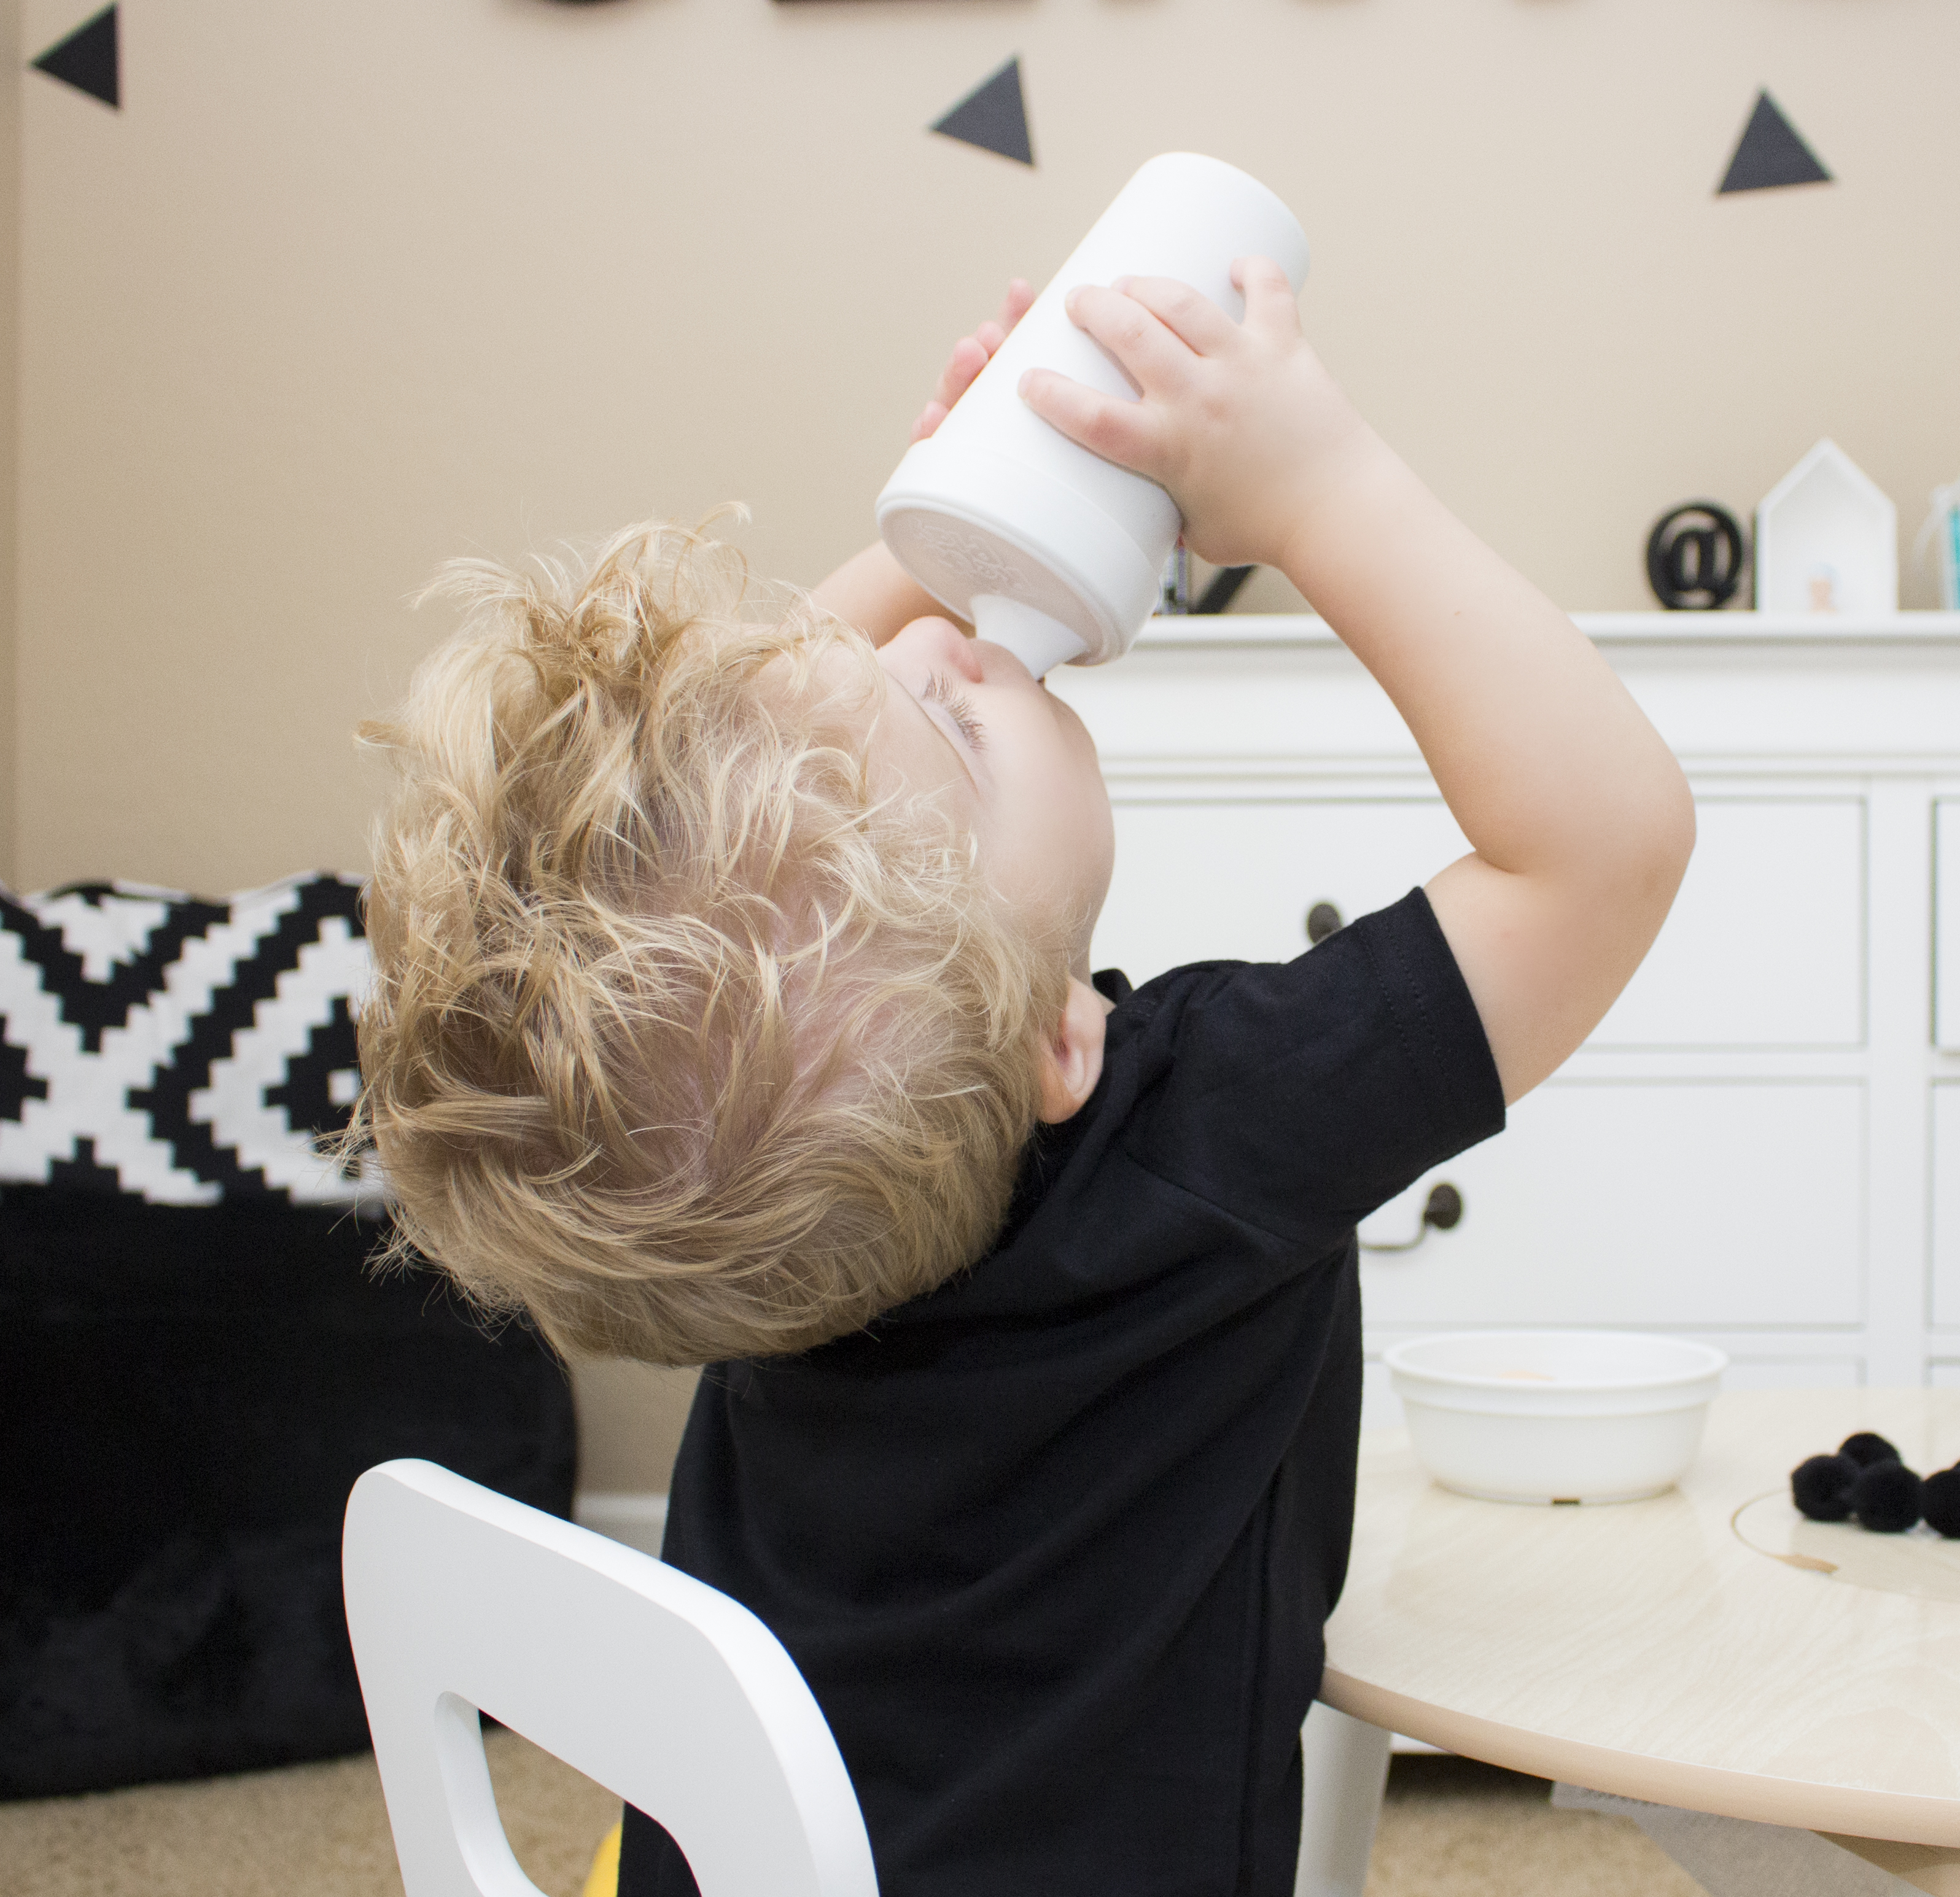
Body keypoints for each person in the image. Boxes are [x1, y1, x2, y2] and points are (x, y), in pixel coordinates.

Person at [353, 259, 1694, 1897]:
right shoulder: (1211, 1132)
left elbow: (752, 724)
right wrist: (1316, 488)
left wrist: (952, 531)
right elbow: (1603, 843)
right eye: (953, 729)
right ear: (1064, 1036)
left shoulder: (759, 1213)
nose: (945, 653)